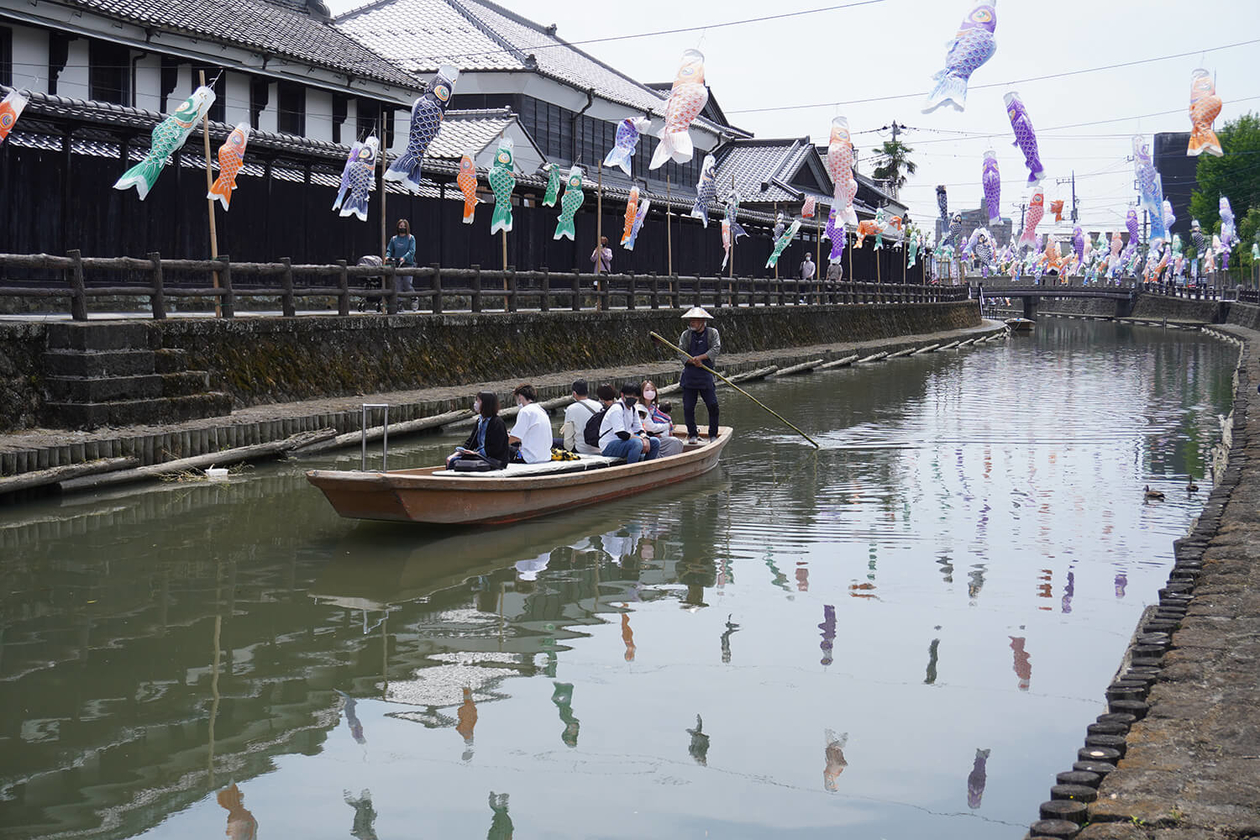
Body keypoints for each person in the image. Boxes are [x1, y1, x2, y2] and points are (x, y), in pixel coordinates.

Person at [678, 307, 720, 445]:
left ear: (702, 321)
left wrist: (700, 358)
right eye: (691, 320)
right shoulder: (686, 335)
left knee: (713, 405)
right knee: (688, 407)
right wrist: (691, 361)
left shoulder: (712, 333)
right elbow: (681, 352)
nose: (692, 323)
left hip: (706, 374)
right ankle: (692, 434)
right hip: (690, 376)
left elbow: (715, 349)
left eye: (695, 320)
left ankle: (713, 434)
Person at [598, 382, 659, 463]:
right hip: (609, 445)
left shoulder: (633, 409)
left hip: (625, 442)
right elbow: (621, 434)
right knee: (637, 443)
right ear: (622, 395)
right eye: (630, 395)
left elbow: (639, 429)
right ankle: (632, 470)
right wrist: (641, 439)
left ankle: (647, 468)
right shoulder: (617, 409)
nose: (633, 398)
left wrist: (645, 438)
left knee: (655, 442)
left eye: (635, 396)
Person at [446, 391, 509, 469]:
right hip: (480, 457)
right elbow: (471, 441)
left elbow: (496, 448)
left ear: (486, 404)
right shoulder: (480, 420)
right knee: (452, 459)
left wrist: (476, 453)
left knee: (455, 462)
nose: (476, 403)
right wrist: (457, 453)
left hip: (495, 461)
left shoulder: (497, 423)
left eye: (478, 401)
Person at [637, 378, 684, 457]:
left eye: (652, 390)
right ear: (642, 392)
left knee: (676, 442)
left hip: (657, 436)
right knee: (673, 442)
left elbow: (667, 421)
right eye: (647, 390)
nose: (650, 392)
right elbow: (651, 427)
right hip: (644, 438)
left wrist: (662, 435)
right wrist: (667, 425)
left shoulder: (655, 408)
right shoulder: (640, 409)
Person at [509, 383, 552, 464]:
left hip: (530, 458)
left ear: (520, 397)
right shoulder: (541, 410)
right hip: (545, 456)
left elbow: (515, 438)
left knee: (500, 449)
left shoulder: (525, 411)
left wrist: (502, 441)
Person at [561, 379, 603, 455]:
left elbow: (568, 438)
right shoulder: (598, 405)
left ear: (574, 393)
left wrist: (569, 450)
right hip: (598, 447)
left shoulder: (571, 409)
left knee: (554, 442)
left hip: (581, 449)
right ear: (588, 391)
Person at [385, 219, 417, 311]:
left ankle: (414, 298)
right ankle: (399, 303)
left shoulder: (411, 238)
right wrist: (387, 256)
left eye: (404, 226)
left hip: (407, 264)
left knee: (407, 283)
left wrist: (405, 257)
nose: (402, 227)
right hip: (397, 264)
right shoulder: (394, 239)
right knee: (397, 284)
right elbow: (389, 250)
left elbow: (412, 251)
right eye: (400, 226)